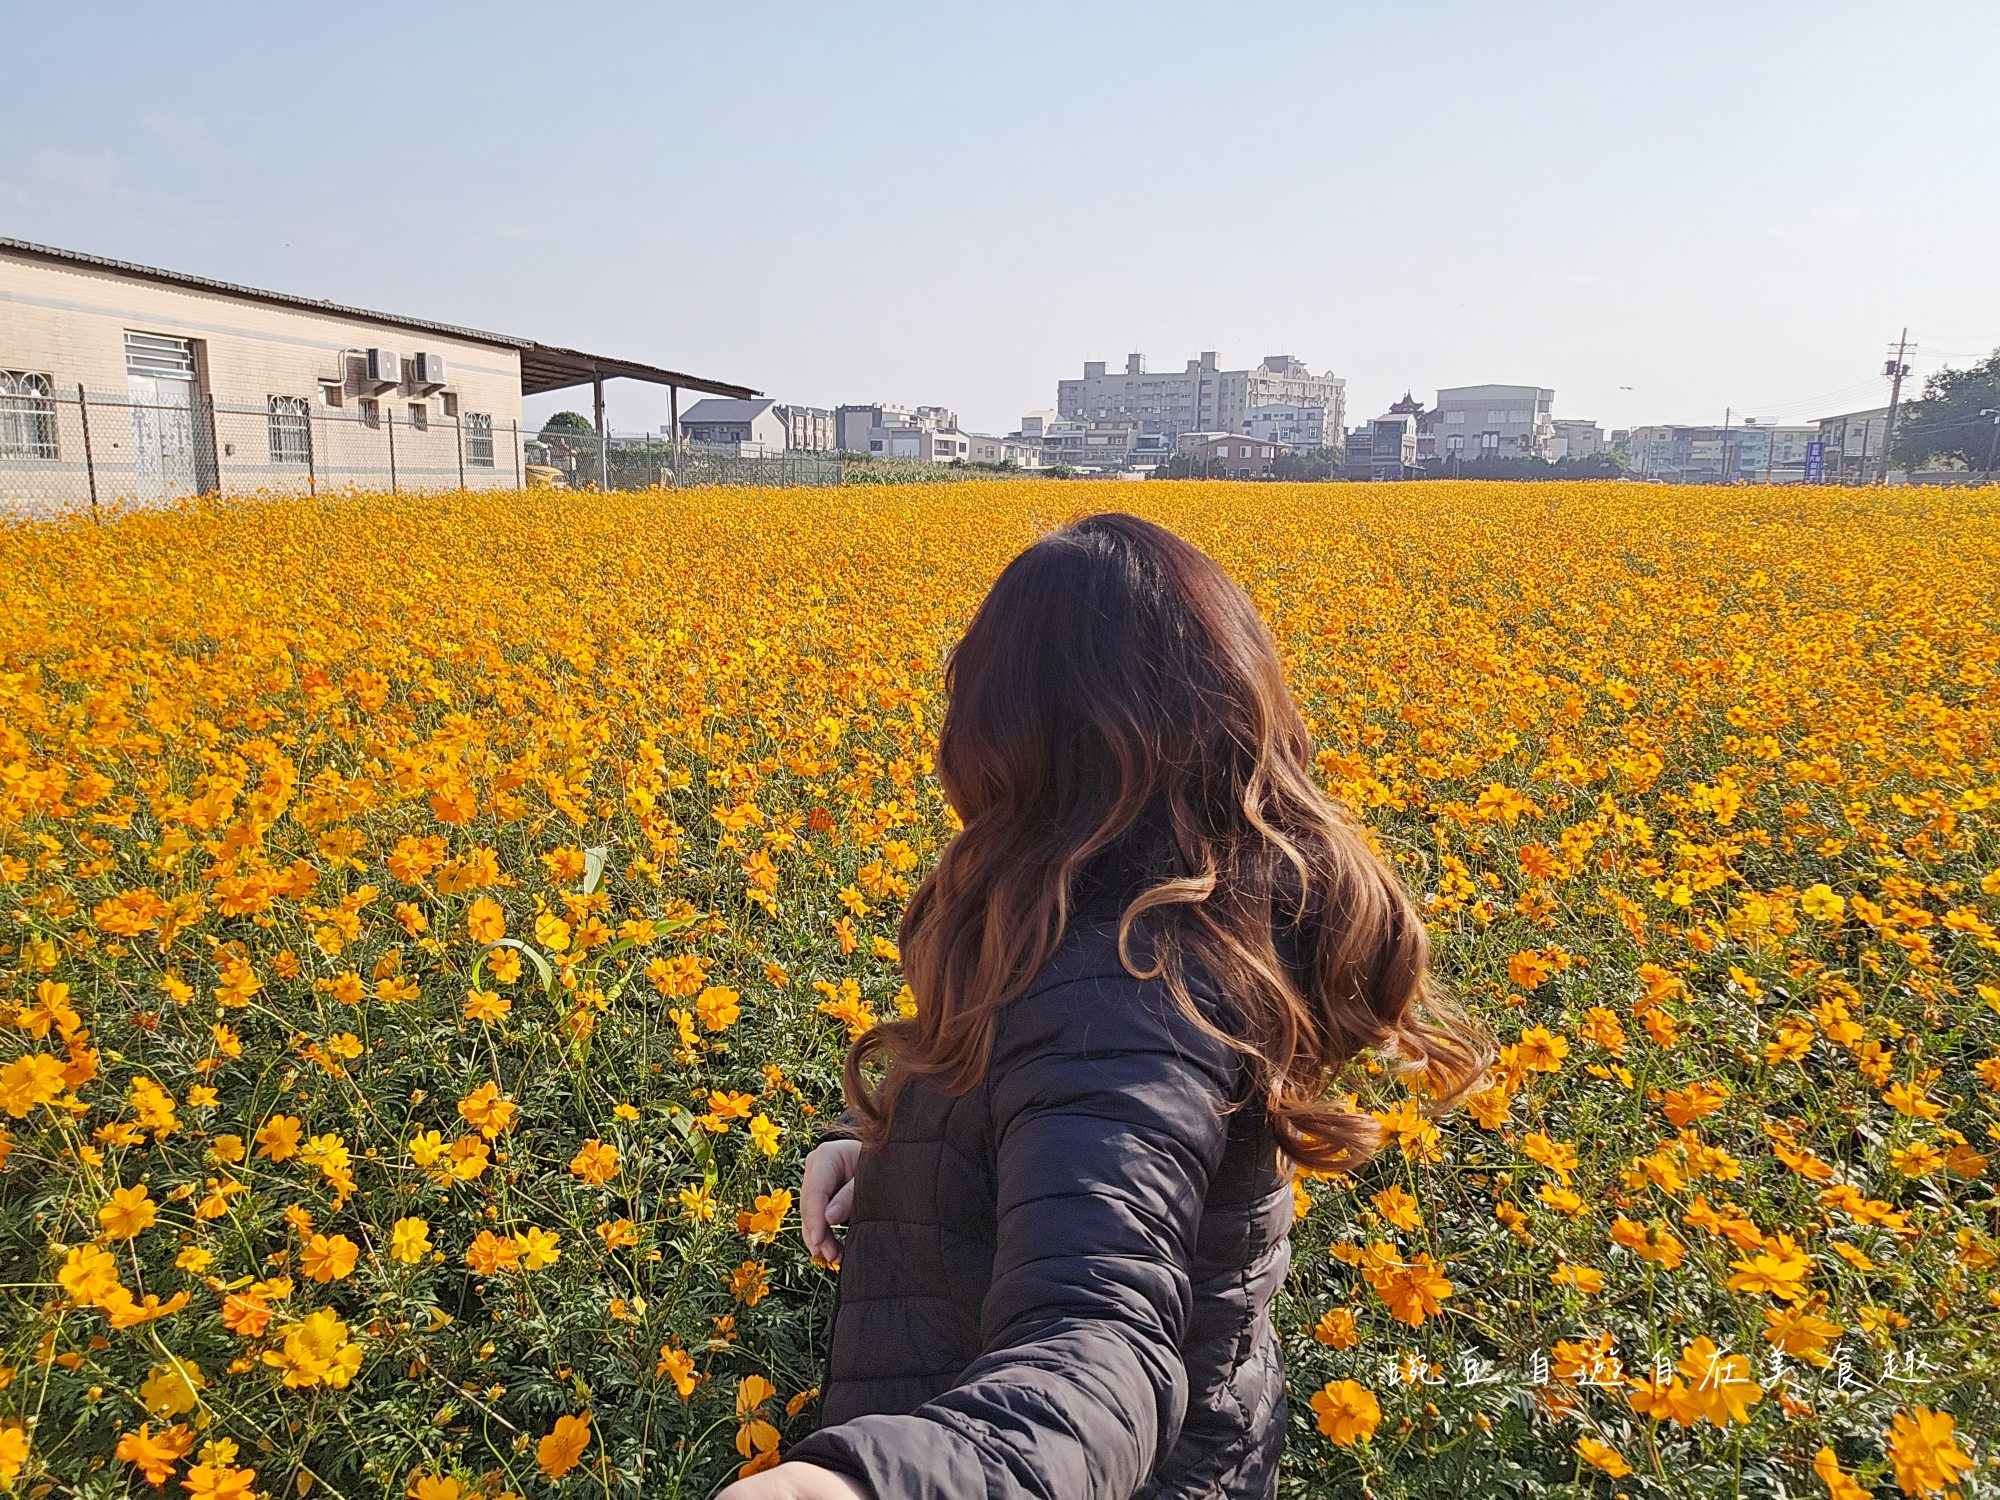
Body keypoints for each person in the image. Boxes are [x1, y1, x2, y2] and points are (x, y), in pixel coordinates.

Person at [715, 513, 1490, 1500]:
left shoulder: (1129, 987)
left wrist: (863, 1489)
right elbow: (1057, 1124)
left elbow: (1100, 1343)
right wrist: (896, 1148)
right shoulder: (1150, 917)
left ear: (1015, 731)